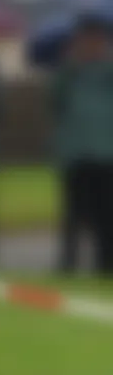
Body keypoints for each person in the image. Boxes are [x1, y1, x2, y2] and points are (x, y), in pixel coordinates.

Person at [54, 17, 113, 273]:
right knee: (73, 212)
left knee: (105, 212)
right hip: (76, 154)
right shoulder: (70, 72)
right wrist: (71, 65)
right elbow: (54, 100)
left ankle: (105, 262)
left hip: (105, 154)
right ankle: (69, 261)